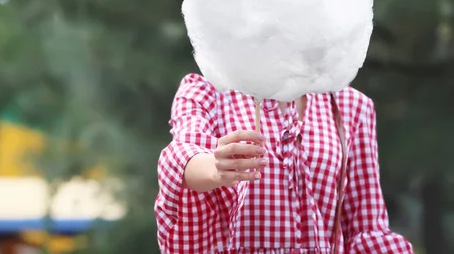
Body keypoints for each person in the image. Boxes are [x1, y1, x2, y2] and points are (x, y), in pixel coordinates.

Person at [155, 73, 413, 254]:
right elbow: (180, 155)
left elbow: (366, 226)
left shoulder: (350, 105)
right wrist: (215, 167)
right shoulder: (207, 90)